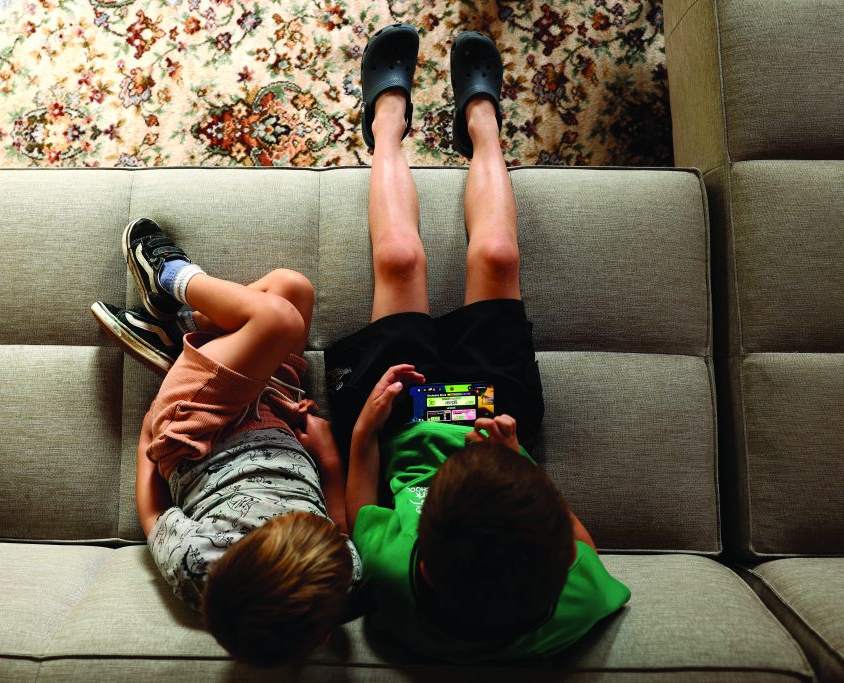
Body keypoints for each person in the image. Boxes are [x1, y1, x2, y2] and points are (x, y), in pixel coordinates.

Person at [324, 24, 631, 660]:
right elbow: (586, 549)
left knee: (402, 259)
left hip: (397, 420)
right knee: (495, 253)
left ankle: (386, 124)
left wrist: (363, 434)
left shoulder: (397, 576)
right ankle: (483, 124)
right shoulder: (571, 600)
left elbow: (358, 515)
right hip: (499, 417)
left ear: (427, 566)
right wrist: (517, 460)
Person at [91, 219, 361, 668]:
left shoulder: (195, 565)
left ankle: (169, 276)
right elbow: (343, 529)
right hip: (277, 414)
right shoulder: (341, 579)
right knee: (292, 288)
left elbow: (154, 513)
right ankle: (176, 330)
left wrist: (151, 429)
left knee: (277, 318)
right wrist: (327, 457)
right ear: (326, 633)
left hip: (195, 435)